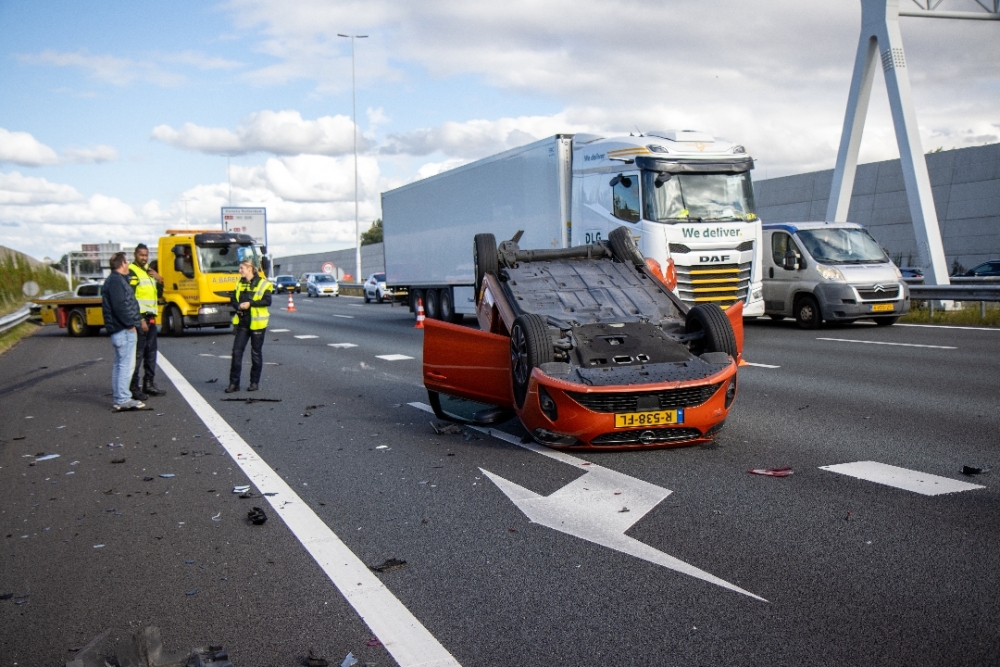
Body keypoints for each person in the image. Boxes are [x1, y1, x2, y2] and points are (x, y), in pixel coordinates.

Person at [101, 252, 145, 411]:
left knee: (120, 365)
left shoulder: (114, 280)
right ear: (122, 264)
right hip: (123, 330)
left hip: (119, 329)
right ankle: (123, 398)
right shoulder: (116, 281)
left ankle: (120, 397)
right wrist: (130, 324)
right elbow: (120, 306)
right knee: (126, 365)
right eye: (127, 262)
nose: (128, 265)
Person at [226, 260, 273, 393]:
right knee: (236, 352)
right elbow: (233, 299)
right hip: (242, 323)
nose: (239, 270)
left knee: (256, 354)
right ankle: (234, 384)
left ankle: (254, 383)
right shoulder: (239, 283)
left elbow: (267, 301)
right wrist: (238, 306)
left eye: (241, 268)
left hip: (257, 324)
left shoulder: (263, 284)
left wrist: (250, 304)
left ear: (250, 269)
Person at [128, 244, 166, 400]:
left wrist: (158, 279)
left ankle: (148, 384)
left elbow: (159, 294)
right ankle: (133, 387)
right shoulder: (132, 271)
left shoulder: (148, 272)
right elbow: (130, 298)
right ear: (135, 254)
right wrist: (140, 319)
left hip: (151, 318)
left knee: (151, 353)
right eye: (141, 255)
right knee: (138, 355)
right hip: (141, 319)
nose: (144, 258)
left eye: (146, 255)